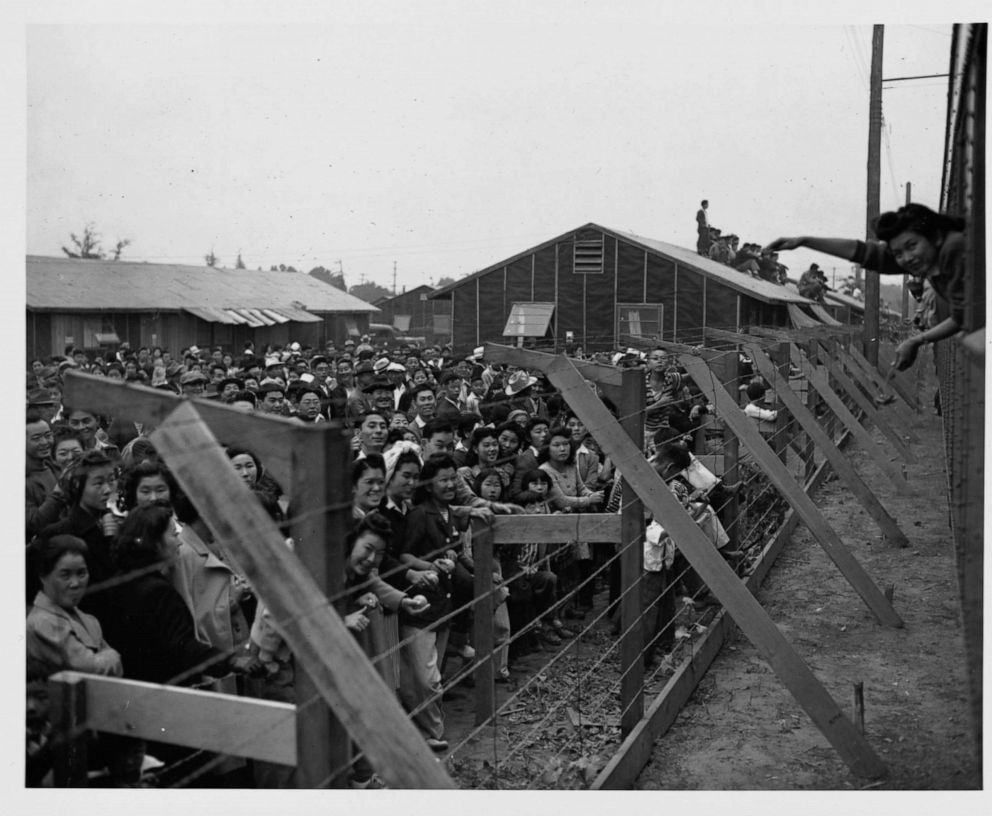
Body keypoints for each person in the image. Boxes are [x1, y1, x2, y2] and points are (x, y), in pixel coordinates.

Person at [764, 203, 968, 370]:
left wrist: (917, 340)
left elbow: (962, 316)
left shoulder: (954, 249)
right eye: (898, 254)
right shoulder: (935, 254)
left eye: (911, 246)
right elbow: (868, 254)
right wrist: (805, 241)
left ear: (935, 236)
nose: (906, 258)